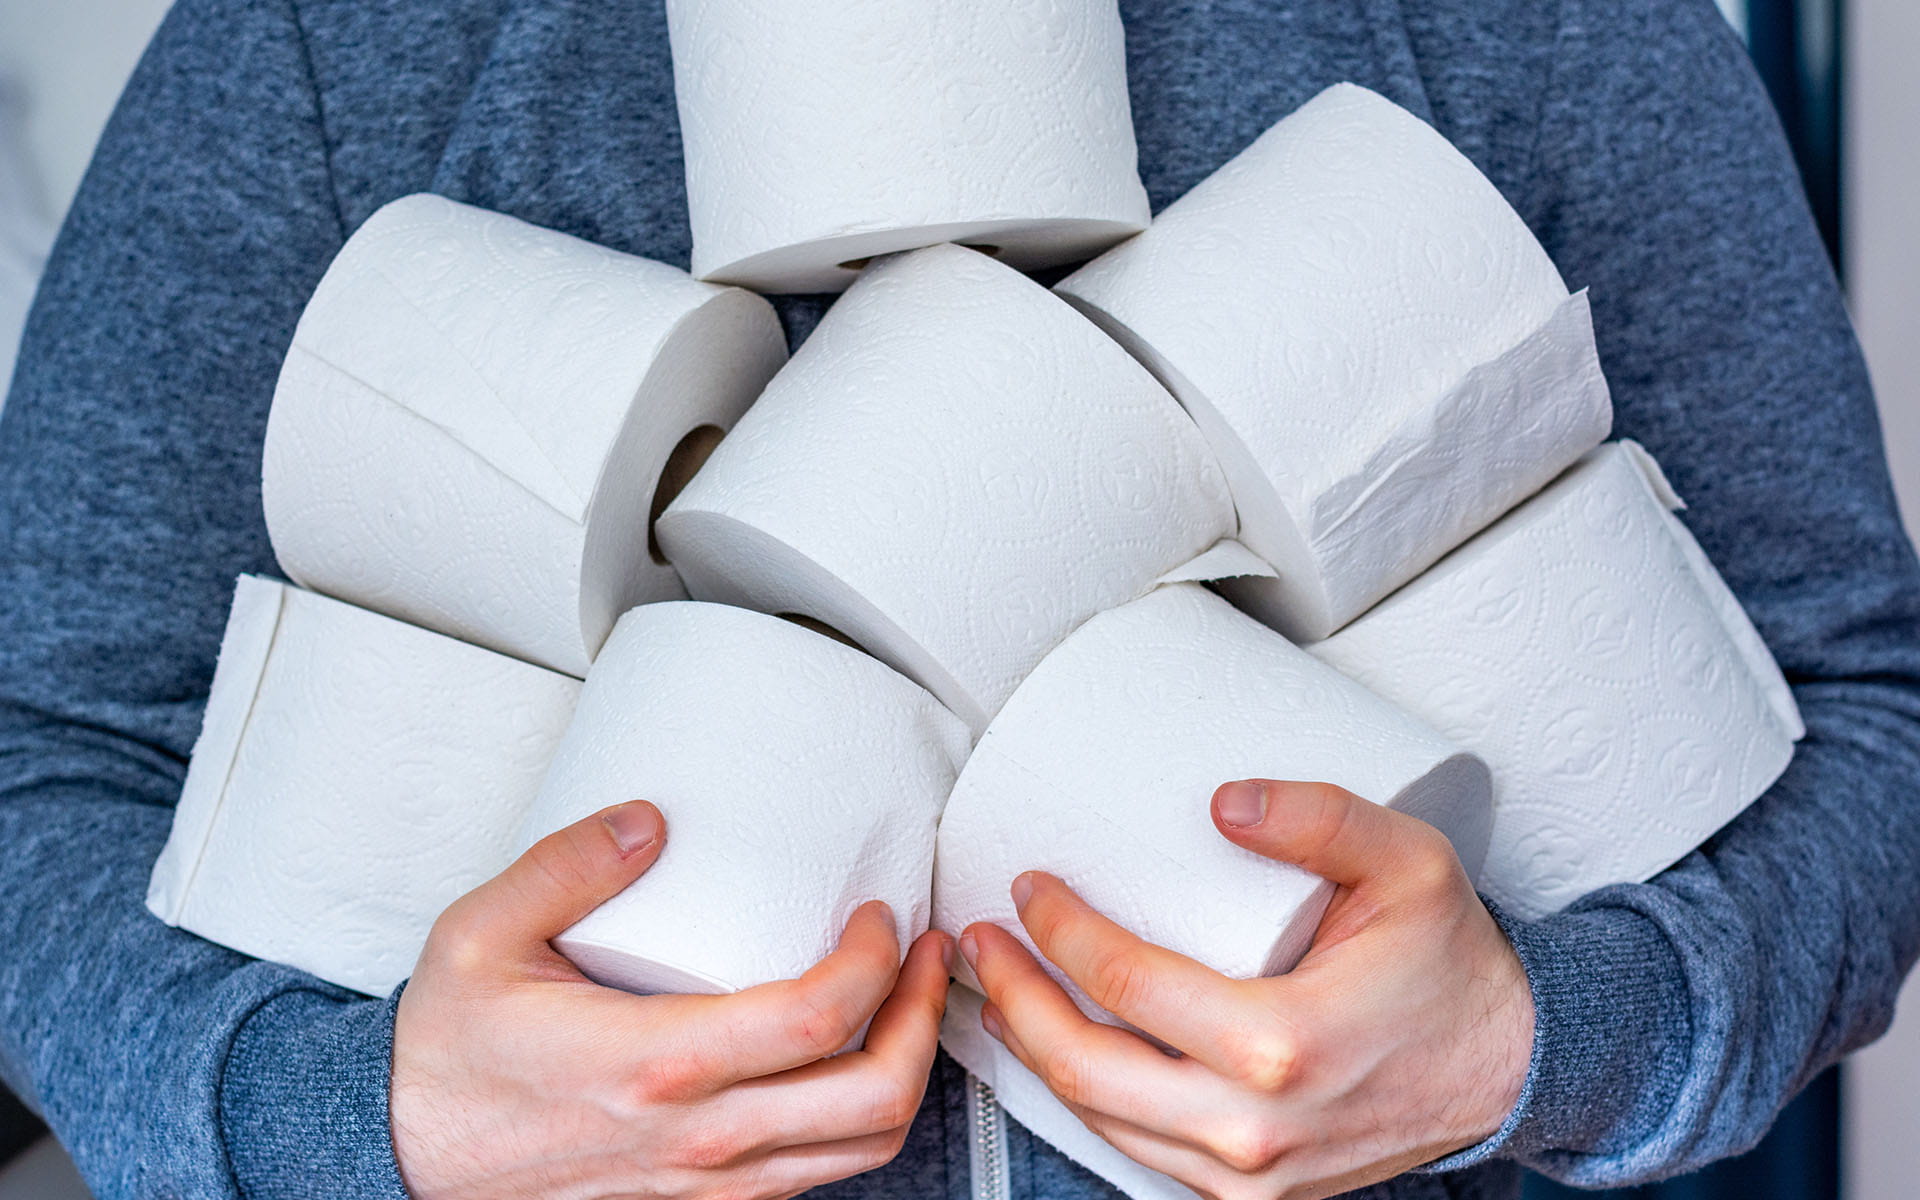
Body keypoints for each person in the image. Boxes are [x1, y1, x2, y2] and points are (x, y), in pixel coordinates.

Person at [2, 0, 1916, 1197]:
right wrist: (355, 1125)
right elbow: (36, 759)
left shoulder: (1540, 27)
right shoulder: (334, 38)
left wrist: (1542, 1041)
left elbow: (1861, 707)